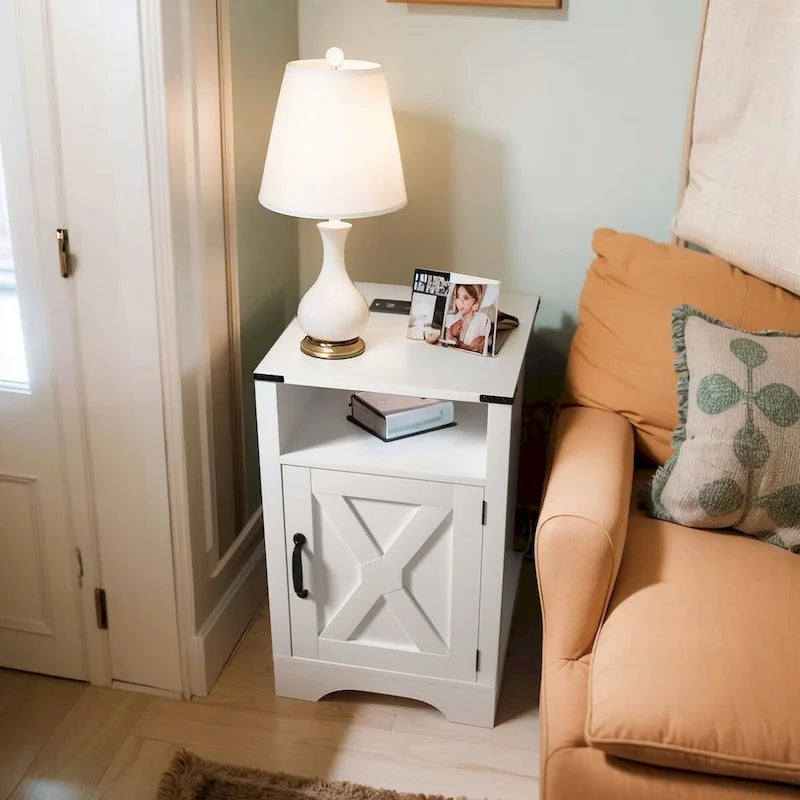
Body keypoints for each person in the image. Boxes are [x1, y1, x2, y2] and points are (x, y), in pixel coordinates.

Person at [444, 284, 492, 353]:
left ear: (475, 301)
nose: (460, 302)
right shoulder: (450, 319)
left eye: (466, 298)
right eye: (458, 297)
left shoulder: (483, 319)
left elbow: (476, 349)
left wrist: (457, 342)